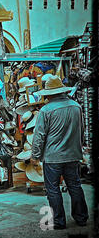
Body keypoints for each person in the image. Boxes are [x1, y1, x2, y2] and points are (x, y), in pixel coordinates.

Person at [31, 74, 88, 229]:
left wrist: (35, 156)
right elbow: (81, 131)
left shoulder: (46, 110)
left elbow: (39, 136)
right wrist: (79, 150)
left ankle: (59, 221)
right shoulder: (76, 106)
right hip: (72, 155)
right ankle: (81, 218)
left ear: (49, 94)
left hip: (52, 157)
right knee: (75, 186)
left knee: (53, 189)